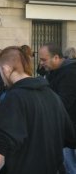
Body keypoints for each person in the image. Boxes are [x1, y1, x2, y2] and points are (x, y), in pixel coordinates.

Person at [0, 46, 76, 174]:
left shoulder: (13, 98)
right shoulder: (52, 95)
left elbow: (1, 144)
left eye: (0, 72)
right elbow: (69, 137)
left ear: (6, 69)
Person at [39, 43, 76, 173]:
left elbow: (63, 103)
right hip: (64, 131)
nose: (41, 63)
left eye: (44, 59)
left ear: (56, 57)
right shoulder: (54, 72)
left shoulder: (70, 73)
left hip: (71, 131)